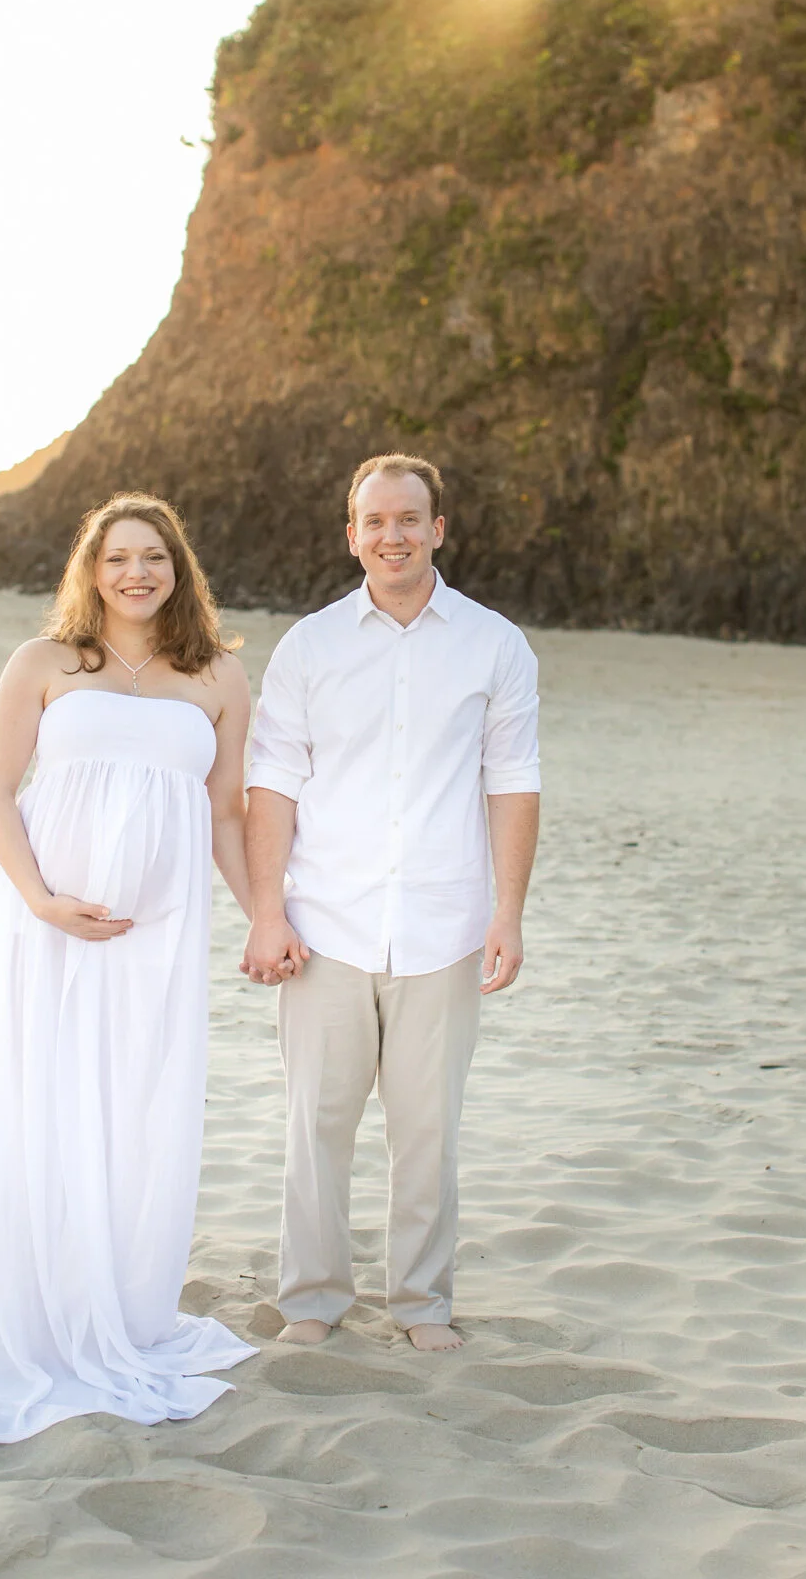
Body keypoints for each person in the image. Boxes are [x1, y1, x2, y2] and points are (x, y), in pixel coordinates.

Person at [0, 493, 256, 1442]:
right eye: (116, 559)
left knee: (136, 1107)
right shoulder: (43, 663)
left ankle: (118, 1305)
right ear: (90, 570)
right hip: (48, 923)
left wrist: (266, 915)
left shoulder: (219, 675)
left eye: (153, 557)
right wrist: (40, 899)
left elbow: (227, 814)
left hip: (161, 935)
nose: (135, 573)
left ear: (178, 568)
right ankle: (33, 1305)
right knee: (44, 1099)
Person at [243, 453, 540, 1352]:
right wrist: (267, 911)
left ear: (438, 529)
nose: (392, 536)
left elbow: (513, 782)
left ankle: (419, 1305)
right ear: (351, 536)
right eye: (374, 522)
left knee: (426, 1134)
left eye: (408, 519)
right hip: (324, 924)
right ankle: (311, 1301)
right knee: (316, 1129)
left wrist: (507, 912)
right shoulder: (309, 647)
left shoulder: (495, 644)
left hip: (443, 928)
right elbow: (271, 784)